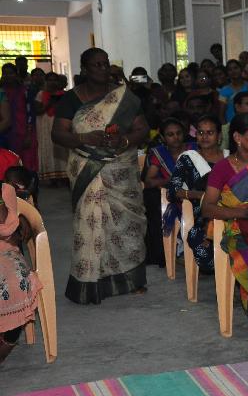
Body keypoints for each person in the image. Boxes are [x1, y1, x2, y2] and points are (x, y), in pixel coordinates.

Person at [52, 47, 149, 304]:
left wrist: (125, 139)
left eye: (105, 64)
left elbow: (142, 129)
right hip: (87, 169)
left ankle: (132, 279)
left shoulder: (124, 98)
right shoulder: (70, 99)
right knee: (90, 223)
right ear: (84, 69)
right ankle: (90, 284)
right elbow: (58, 134)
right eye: (96, 65)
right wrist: (84, 137)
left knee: (127, 225)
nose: (103, 68)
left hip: (120, 170)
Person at [201, 113, 248, 343]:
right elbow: (208, 208)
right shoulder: (223, 168)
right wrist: (243, 213)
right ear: (237, 137)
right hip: (239, 231)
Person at [167, 115, 227, 274]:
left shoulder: (230, 158)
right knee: (204, 250)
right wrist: (201, 195)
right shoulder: (188, 158)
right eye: (201, 132)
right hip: (201, 216)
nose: (205, 136)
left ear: (219, 136)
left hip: (231, 214)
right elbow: (172, 192)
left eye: (210, 132)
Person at [0, 183, 42, 364]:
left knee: (15, 283)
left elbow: (9, 229)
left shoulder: (5, 191)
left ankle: (7, 342)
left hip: (4, 250)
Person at [143, 118, 195, 265]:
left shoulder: (193, 149)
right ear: (163, 137)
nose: (175, 137)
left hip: (193, 194)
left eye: (178, 133)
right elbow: (149, 181)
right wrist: (175, 179)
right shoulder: (160, 153)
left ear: (184, 134)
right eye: (170, 134)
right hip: (172, 198)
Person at [0, 63, 37, 172]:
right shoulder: (2, 92)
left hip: (23, 131)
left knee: (26, 161)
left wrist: (29, 135)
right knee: (8, 162)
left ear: (16, 75)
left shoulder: (25, 91)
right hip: (5, 133)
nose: (7, 76)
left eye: (10, 73)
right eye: (5, 73)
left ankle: (28, 187)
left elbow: (30, 113)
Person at [35, 72, 67, 183]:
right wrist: (49, 104)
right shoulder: (40, 94)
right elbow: (37, 111)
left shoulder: (64, 94)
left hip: (59, 122)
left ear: (58, 82)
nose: (52, 82)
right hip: (45, 124)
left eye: (55, 80)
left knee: (61, 148)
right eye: (50, 80)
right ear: (46, 81)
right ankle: (51, 177)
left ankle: (64, 175)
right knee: (48, 147)